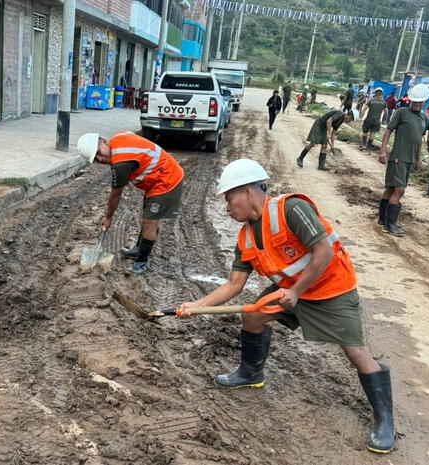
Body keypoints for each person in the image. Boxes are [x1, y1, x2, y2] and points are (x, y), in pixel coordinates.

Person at [177, 159, 395, 454]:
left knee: (356, 352)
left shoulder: (290, 209)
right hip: (291, 291)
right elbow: (233, 285)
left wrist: (295, 290)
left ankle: (385, 421)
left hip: (330, 288)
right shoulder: (245, 237)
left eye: (229, 199)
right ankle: (251, 373)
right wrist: (197, 305)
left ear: (248, 192)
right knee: (253, 318)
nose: (227, 209)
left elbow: (324, 250)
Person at [77, 131, 183, 275]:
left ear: (103, 142)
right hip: (157, 177)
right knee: (148, 216)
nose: (100, 158)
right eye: (96, 158)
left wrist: (108, 217)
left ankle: (141, 263)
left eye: (98, 152)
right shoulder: (118, 138)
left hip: (166, 180)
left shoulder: (120, 161)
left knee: (149, 222)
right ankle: (139, 250)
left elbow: (116, 194)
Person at [378, 84, 429, 236]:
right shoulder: (402, 112)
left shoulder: (423, 119)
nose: (416, 105)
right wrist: (383, 151)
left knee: (391, 188)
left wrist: (417, 160)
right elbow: (388, 131)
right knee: (400, 190)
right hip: (398, 157)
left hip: (409, 160)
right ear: (410, 100)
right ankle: (390, 224)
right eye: (413, 102)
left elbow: (418, 141)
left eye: (419, 102)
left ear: (424, 102)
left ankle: (382, 219)